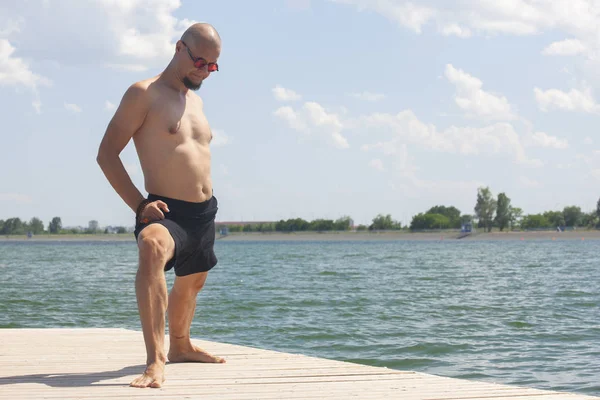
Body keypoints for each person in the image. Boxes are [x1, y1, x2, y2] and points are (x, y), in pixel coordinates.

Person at [96, 23, 225, 389]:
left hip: (204, 212)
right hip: (164, 210)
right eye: (200, 61)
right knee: (152, 248)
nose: (204, 70)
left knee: (191, 283)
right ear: (179, 47)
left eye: (212, 66)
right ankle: (155, 361)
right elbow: (106, 154)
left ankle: (181, 346)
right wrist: (140, 205)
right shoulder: (144, 94)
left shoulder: (195, 101)